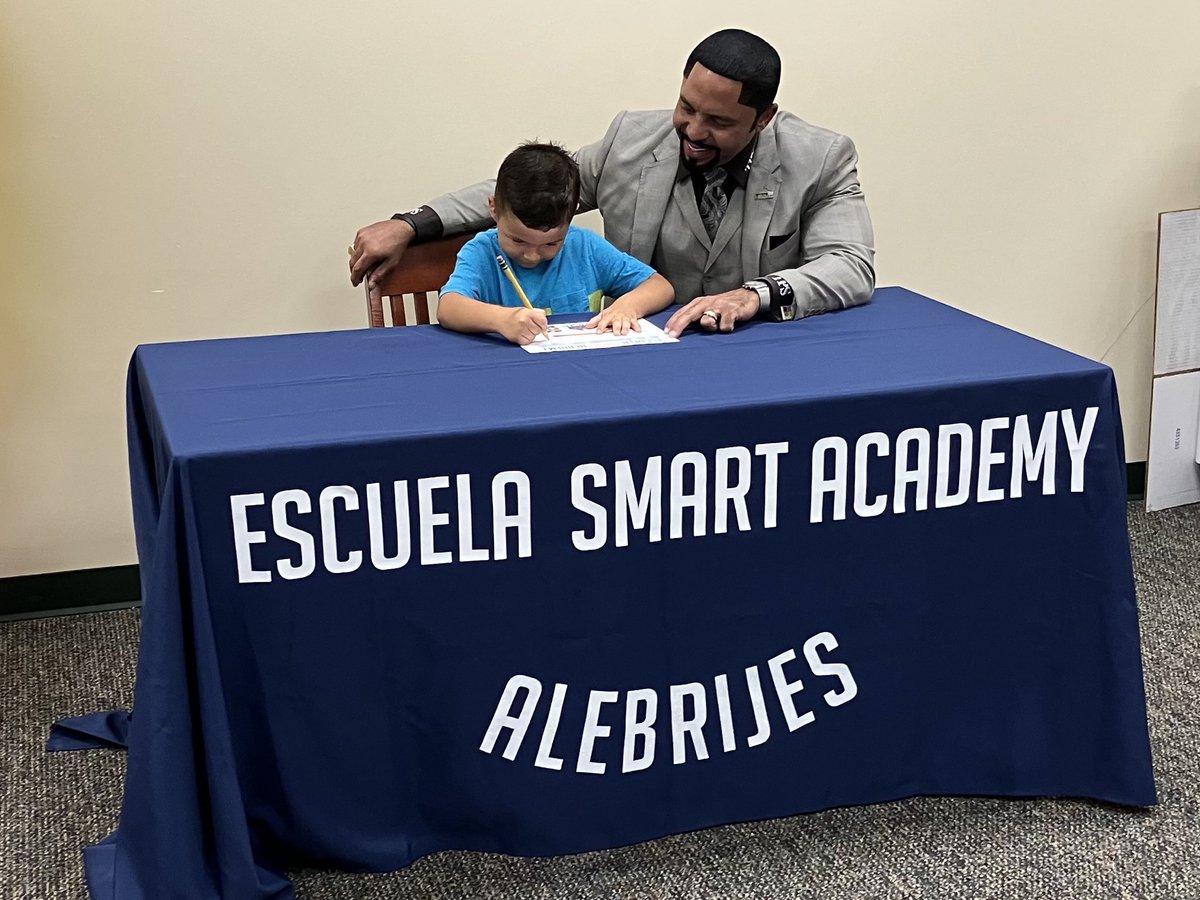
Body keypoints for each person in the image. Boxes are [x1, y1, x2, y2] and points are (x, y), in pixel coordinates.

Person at [349, 28, 874, 337]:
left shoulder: (822, 158)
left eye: (717, 122)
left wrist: (754, 296)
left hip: (763, 358)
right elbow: (528, 187)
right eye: (686, 107)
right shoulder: (629, 141)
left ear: (763, 118)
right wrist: (412, 225)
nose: (692, 131)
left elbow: (851, 267)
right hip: (641, 358)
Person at [435, 142, 673, 346]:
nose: (531, 255)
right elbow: (449, 308)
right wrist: (502, 320)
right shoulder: (483, 252)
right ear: (494, 208)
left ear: (572, 216)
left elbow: (659, 287)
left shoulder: (584, 248)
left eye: (550, 244)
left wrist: (628, 307)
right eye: (517, 240)